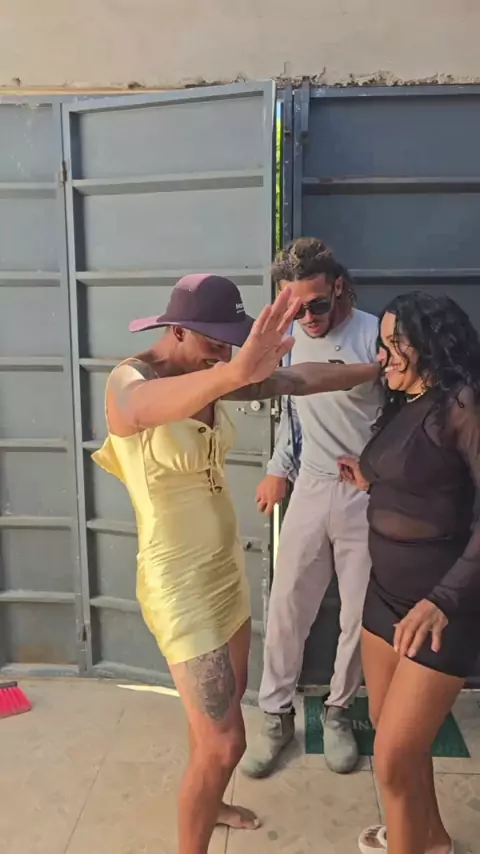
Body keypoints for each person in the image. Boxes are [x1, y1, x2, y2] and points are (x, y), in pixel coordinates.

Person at [92, 272, 379, 854]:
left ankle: (213, 801)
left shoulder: (210, 374)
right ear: (176, 330)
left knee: (219, 720)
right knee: (226, 743)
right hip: (179, 585)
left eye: (230, 345)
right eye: (212, 343)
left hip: (224, 572)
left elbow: (300, 379)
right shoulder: (133, 379)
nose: (222, 355)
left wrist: (375, 370)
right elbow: (136, 411)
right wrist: (234, 372)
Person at [338, 291, 480, 854]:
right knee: (394, 735)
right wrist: (371, 479)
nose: (384, 355)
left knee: (394, 759)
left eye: (396, 344)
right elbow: (422, 474)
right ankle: (432, 840)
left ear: (430, 343)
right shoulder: (404, 399)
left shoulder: (462, 404)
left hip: (439, 607)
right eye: (383, 343)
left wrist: (444, 599)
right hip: (385, 597)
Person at [241, 238, 382, 778]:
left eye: (317, 304)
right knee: (286, 609)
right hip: (311, 485)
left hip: (365, 495)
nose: (307, 318)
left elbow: (403, 415)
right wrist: (279, 468)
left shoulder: (375, 335)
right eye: (295, 307)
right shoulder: (288, 337)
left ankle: (339, 711)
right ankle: (275, 717)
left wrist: (378, 471)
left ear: (338, 287)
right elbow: (292, 415)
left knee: (358, 615)